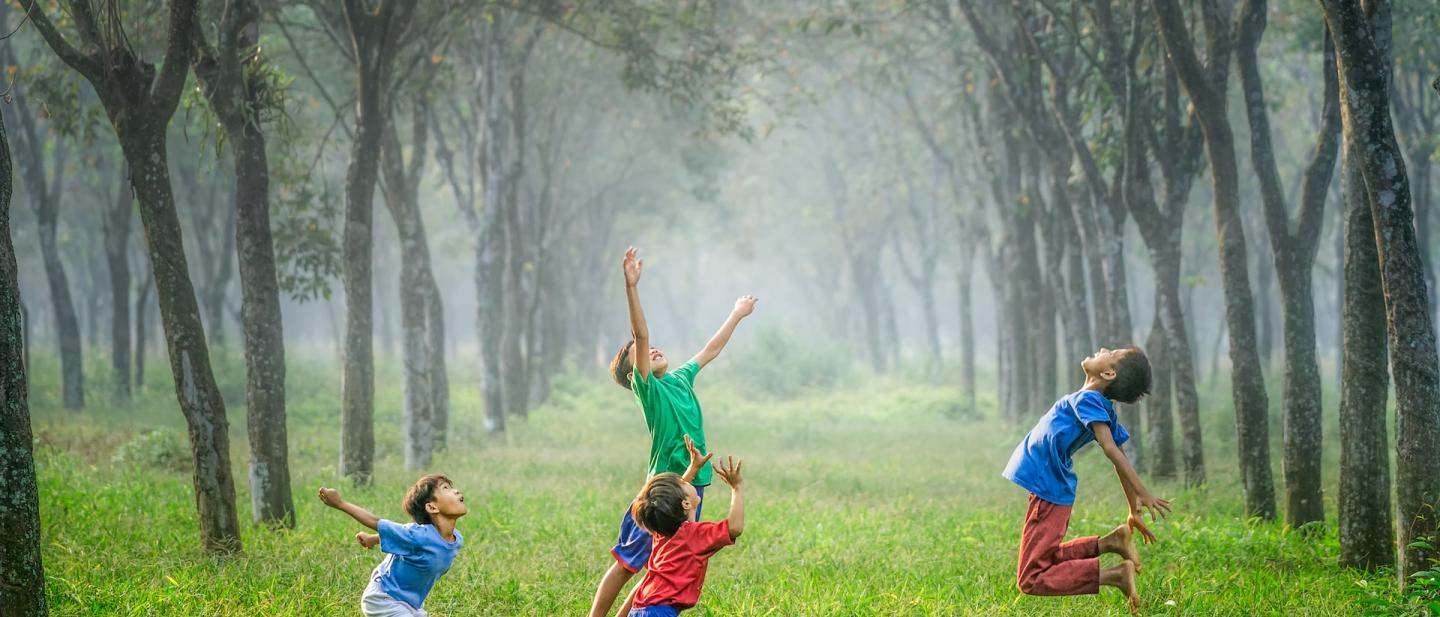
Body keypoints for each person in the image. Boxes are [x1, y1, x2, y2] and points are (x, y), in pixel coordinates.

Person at [588, 246, 757, 617]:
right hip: (663, 489)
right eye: (641, 354)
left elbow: (710, 350)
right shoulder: (648, 390)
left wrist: (736, 314)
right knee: (629, 562)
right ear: (635, 374)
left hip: (692, 484)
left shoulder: (681, 378)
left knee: (664, 561)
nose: (652, 349)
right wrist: (632, 287)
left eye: (650, 349)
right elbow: (641, 333)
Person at [1001, 347, 1171, 614]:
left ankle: (1115, 576)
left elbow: (1112, 449)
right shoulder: (1096, 403)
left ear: (1108, 372)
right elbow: (1119, 456)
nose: (1103, 348)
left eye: (1111, 352)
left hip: (1048, 490)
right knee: (1046, 558)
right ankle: (1111, 543)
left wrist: (1142, 492)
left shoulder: (1090, 400)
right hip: (1049, 488)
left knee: (1031, 578)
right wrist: (1132, 508)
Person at [318, 475, 466, 617]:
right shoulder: (417, 535)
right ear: (432, 507)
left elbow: (403, 540)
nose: (456, 491)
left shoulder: (456, 539)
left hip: (411, 605)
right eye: (446, 488)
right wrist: (340, 503)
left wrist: (372, 539)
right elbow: (375, 522)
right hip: (384, 598)